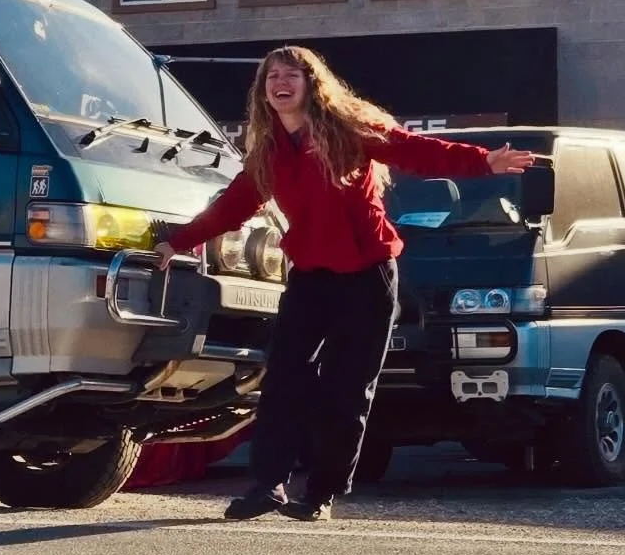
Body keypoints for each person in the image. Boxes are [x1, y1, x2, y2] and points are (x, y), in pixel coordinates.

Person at [154, 45, 534, 521]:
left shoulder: (348, 131)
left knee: (347, 388)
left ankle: (320, 493)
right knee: (283, 380)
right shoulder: (270, 149)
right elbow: (233, 206)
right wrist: (179, 241)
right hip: (311, 276)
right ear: (263, 89)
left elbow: (416, 151)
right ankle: (267, 484)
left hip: (367, 275)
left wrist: (485, 162)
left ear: (312, 84)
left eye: (292, 74)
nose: (281, 82)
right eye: (273, 75)